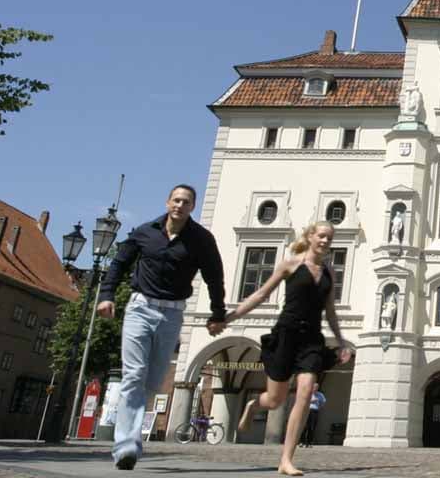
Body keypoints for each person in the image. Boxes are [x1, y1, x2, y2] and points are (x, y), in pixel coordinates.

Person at [98, 184, 227, 471]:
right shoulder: (145, 232)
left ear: (193, 206)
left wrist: (218, 312)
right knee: (133, 374)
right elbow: (119, 264)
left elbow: (214, 277)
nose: (180, 205)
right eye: (176, 200)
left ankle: (129, 439)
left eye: (186, 202)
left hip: (172, 313)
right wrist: (107, 296)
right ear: (168, 202)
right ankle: (126, 446)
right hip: (139, 308)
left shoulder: (202, 240)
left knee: (153, 380)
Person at [233, 222, 352, 476]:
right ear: (310, 237)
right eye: (321, 236)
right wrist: (230, 317)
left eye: (329, 239)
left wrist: (341, 342)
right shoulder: (291, 264)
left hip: (311, 338)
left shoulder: (329, 272)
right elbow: (261, 294)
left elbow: (330, 311)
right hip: (286, 334)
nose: (325, 242)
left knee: (306, 391)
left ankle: (286, 459)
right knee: (275, 400)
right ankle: (254, 405)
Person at [300, 382, 326, 447]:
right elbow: (302, 401)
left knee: (312, 427)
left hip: (315, 411)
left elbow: (323, 402)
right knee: (305, 426)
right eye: (314, 387)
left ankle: (309, 443)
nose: (315, 389)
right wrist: (310, 401)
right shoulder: (308, 393)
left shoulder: (320, 395)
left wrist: (319, 406)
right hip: (307, 411)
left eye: (316, 388)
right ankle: (301, 442)